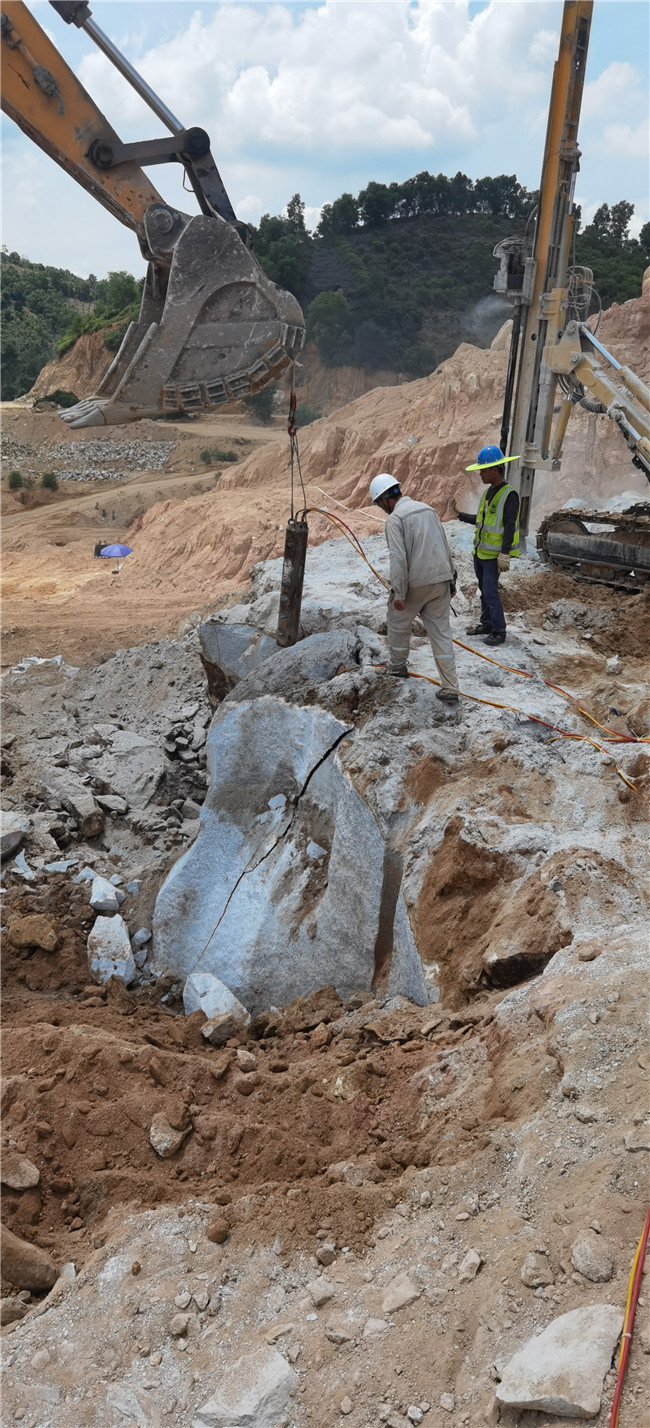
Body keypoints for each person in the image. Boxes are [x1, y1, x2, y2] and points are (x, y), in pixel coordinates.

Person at [369, 473, 459, 703]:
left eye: (380, 504)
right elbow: (444, 546)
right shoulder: (428, 510)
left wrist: (398, 593)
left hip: (415, 585)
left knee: (398, 622)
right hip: (441, 582)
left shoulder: (394, 519)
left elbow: (398, 558)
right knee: (441, 633)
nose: (382, 509)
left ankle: (397, 667)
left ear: (385, 499)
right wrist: (452, 580)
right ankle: (450, 687)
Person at [450, 445, 520, 646]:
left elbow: (509, 525)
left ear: (494, 469)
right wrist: (459, 515)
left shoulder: (509, 495)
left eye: (483, 469)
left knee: (490, 591)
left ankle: (499, 630)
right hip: (480, 553)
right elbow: (482, 522)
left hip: (493, 556)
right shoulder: (489, 493)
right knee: (483, 589)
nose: (480, 473)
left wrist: (504, 554)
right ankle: (487, 623)